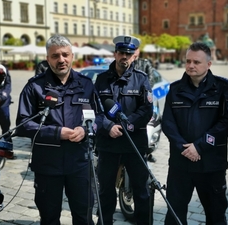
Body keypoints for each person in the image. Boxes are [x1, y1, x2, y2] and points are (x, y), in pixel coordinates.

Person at [15, 34, 102, 225]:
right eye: (55, 56)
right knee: (49, 218)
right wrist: (56, 133)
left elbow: (99, 118)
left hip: (80, 163)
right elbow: (22, 124)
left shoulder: (86, 85)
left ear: (72, 56)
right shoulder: (35, 87)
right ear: (47, 59)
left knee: (84, 217)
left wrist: (86, 130)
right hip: (47, 164)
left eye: (65, 55)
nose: (61, 60)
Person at [161, 42, 228, 225]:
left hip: (211, 165)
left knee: (216, 214)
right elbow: (168, 123)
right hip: (181, 164)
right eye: (188, 61)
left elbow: (227, 124)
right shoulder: (175, 89)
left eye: (196, 62)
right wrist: (184, 148)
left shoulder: (222, 88)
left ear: (208, 64)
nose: (191, 65)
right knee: (174, 216)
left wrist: (199, 147)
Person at [94, 35, 154, 225]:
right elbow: (93, 110)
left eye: (129, 54)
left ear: (134, 56)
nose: (124, 57)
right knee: (105, 190)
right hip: (108, 144)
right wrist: (109, 126)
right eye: (121, 53)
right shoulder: (101, 80)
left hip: (134, 144)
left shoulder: (141, 79)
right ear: (115, 54)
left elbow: (147, 109)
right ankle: (105, 222)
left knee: (141, 190)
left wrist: (128, 125)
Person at [133, 47, 157, 163]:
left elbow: (150, 80)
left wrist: (140, 91)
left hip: (144, 100)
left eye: (135, 49)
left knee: (151, 126)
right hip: (129, 104)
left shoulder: (145, 63)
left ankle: (149, 151)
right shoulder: (125, 62)